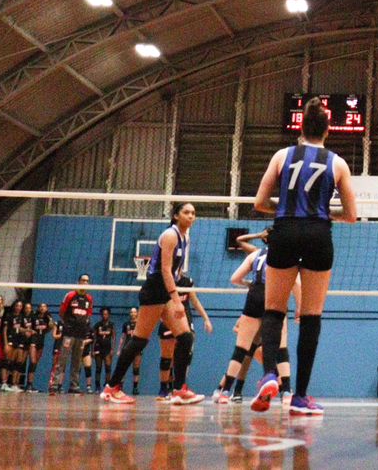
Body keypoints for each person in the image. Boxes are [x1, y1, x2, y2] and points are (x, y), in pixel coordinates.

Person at [250, 97, 359, 416]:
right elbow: (352, 215)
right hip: (318, 235)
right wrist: (325, 215)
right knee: (310, 317)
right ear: (327, 130)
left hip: (283, 231)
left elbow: (259, 202)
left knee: (273, 311)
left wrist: (283, 210)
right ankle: (300, 397)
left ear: (300, 127)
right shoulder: (337, 163)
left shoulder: (282, 156)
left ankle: (270, 374)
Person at [101, 201, 203, 405]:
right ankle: (112, 387)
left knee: (185, 338)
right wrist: (177, 299)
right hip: (156, 288)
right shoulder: (170, 235)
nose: (191, 216)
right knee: (139, 340)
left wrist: (178, 276)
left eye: (193, 213)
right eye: (186, 212)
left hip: (164, 290)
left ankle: (178, 390)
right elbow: (165, 270)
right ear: (176, 216)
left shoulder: (185, 237)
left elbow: (174, 269)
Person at [214, 235, 295, 403]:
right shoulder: (286, 254)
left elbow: (234, 278)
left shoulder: (255, 254)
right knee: (281, 348)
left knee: (242, 349)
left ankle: (224, 391)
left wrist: (249, 285)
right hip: (274, 296)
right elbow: (296, 283)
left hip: (254, 296)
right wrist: (300, 307)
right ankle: (286, 392)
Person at [52, 275, 95, 395]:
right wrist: (69, 323)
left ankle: (74, 385)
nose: (85, 282)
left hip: (81, 334)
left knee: (77, 361)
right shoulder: (70, 295)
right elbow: (61, 312)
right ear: (78, 282)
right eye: (83, 280)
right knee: (62, 359)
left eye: (87, 281)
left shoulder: (89, 299)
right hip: (69, 333)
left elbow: (88, 315)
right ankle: (54, 385)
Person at [27, 303, 53, 392]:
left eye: (44, 307)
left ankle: (31, 384)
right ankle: (29, 385)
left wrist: (50, 319)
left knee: (36, 363)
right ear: (38, 308)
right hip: (33, 340)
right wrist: (30, 331)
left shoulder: (47, 317)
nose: (42, 308)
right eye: (41, 306)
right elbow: (28, 326)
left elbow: (50, 327)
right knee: (33, 362)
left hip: (41, 341)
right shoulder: (34, 316)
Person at [91, 307, 115, 391]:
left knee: (108, 368)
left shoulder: (111, 325)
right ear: (101, 315)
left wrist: (112, 349)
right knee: (98, 368)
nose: (105, 315)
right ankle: (97, 386)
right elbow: (94, 338)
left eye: (106, 314)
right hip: (98, 348)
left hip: (107, 349)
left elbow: (113, 338)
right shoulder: (97, 325)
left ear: (109, 315)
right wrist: (92, 350)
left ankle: (107, 385)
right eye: (103, 314)